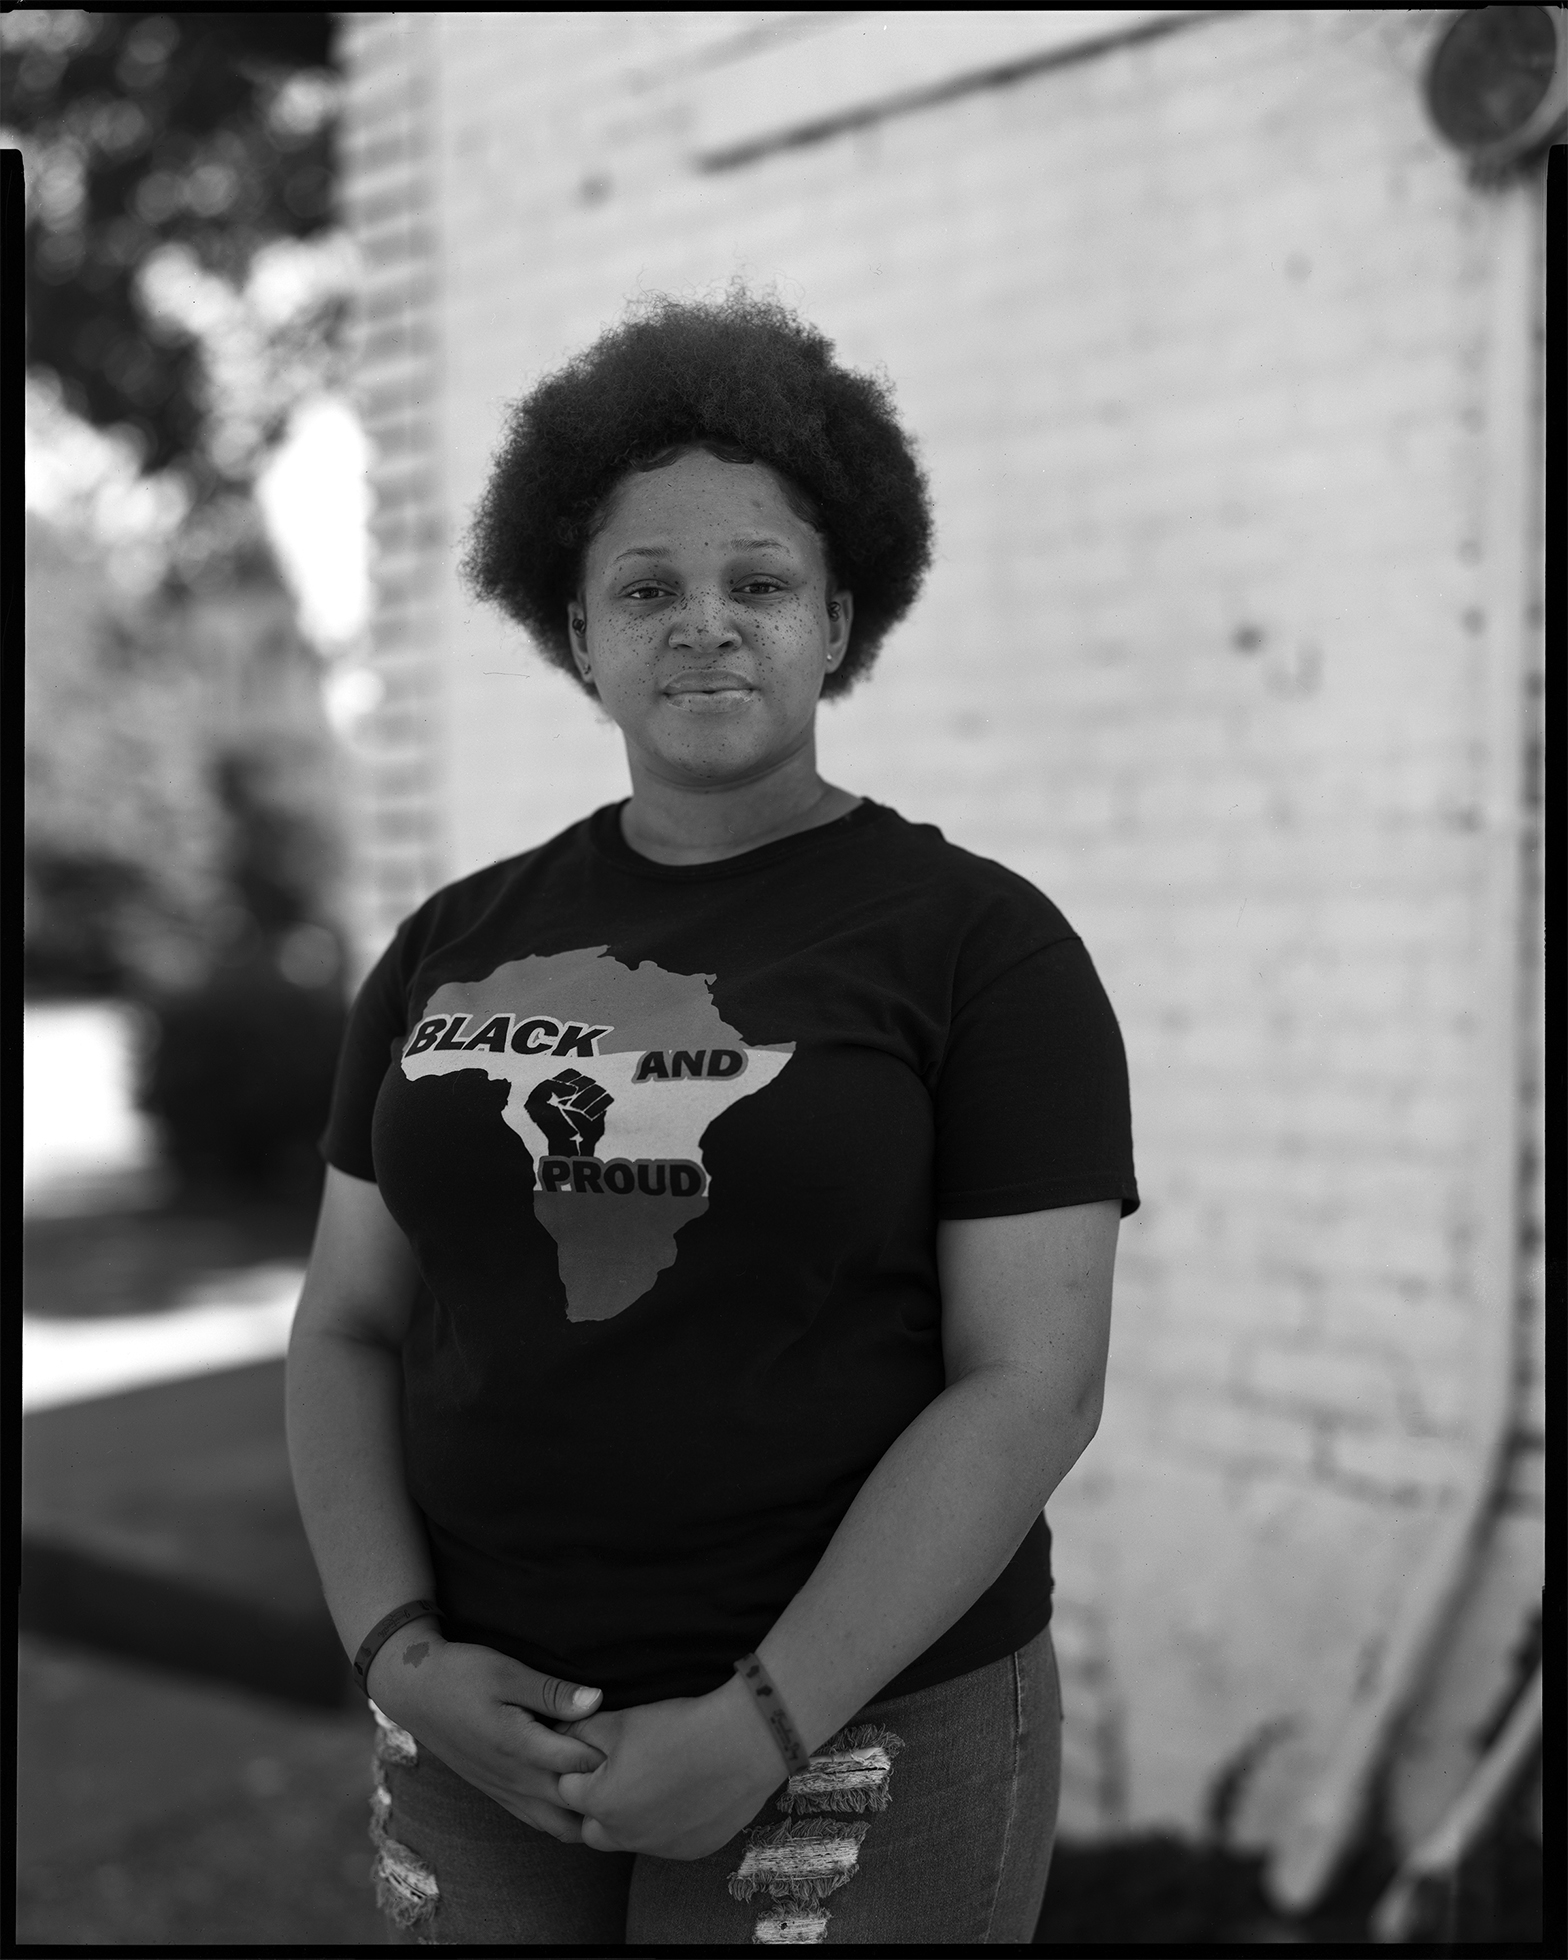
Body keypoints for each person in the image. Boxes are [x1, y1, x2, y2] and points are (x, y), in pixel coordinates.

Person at [286, 289, 1139, 1946]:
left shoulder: (982, 947)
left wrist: (764, 1717)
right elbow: (345, 1328)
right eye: (646, 588)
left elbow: (1032, 1383)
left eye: (760, 584)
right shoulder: (449, 944)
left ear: (839, 623)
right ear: (575, 635)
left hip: (858, 1735)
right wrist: (398, 1657)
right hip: (480, 1733)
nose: (706, 626)